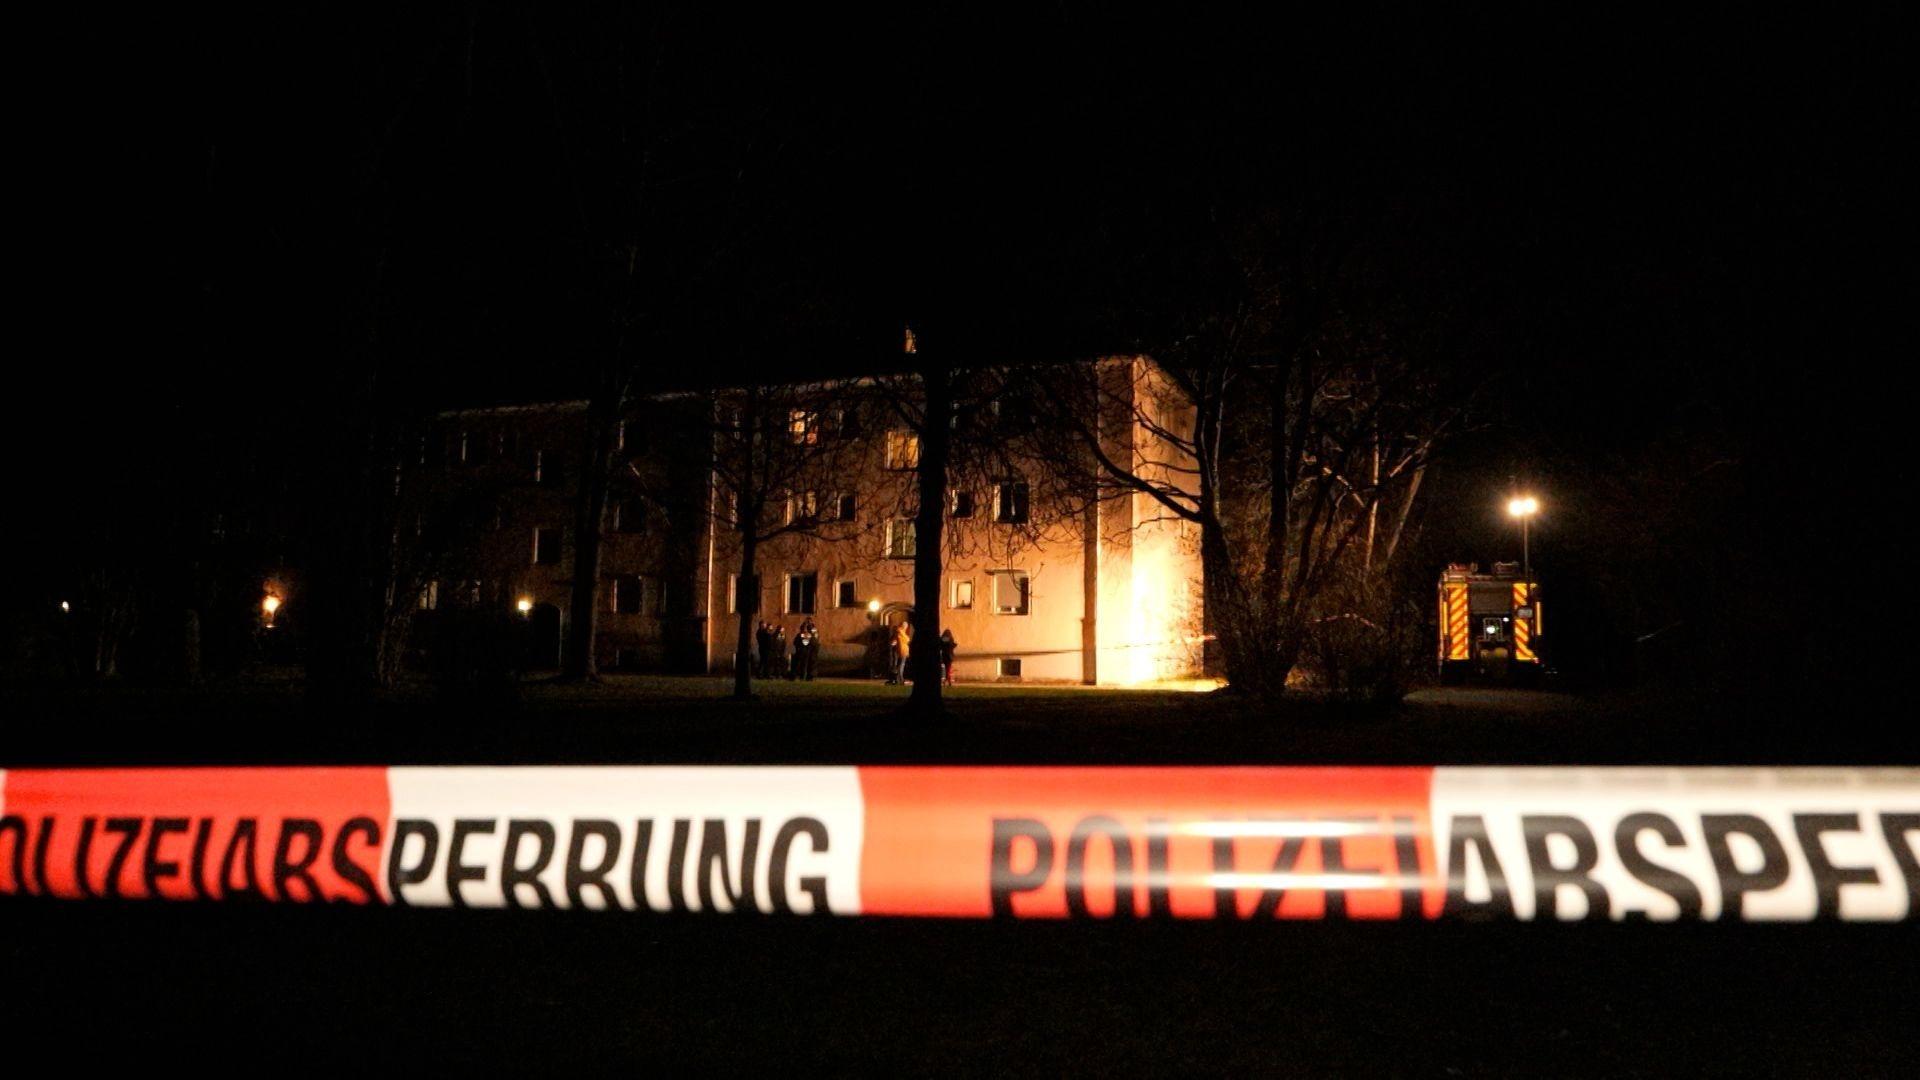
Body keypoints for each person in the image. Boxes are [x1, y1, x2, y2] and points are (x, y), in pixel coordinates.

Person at [890, 620, 913, 685]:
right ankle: (900, 679)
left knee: (899, 665)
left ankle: (897, 679)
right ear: (904, 626)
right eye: (906, 626)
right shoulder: (900, 632)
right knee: (901, 665)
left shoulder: (900, 632)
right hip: (902, 650)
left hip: (902, 650)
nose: (906, 628)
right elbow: (907, 639)